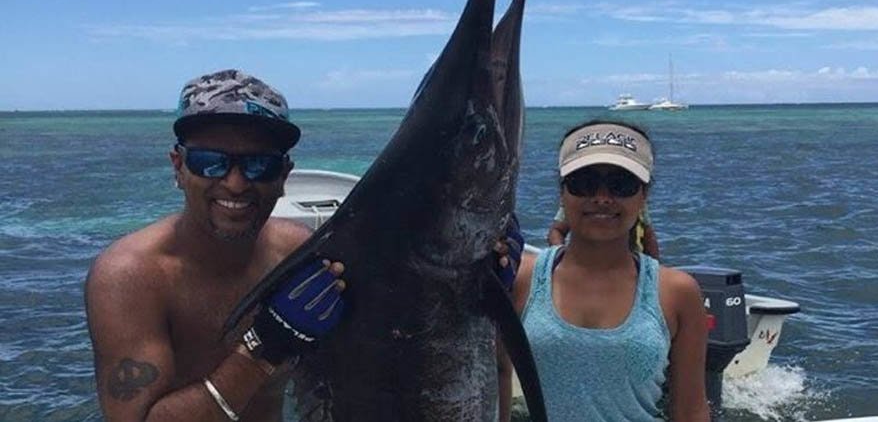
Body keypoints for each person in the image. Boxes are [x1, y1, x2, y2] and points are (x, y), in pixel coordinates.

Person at [85, 69, 523, 422]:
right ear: (179, 167)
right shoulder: (130, 276)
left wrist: (473, 287)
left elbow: (403, 336)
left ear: (285, 174)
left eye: (260, 165)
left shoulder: (299, 251)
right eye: (210, 162)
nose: (236, 183)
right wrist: (265, 347)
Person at [499, 120, 710, 421]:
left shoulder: (677, 292)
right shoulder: (521, 279)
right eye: (583, 183)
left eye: (621, 185)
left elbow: (690, 410)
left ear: (644, 195)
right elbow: (493, 375)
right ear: (562, 193)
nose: (601, 197)